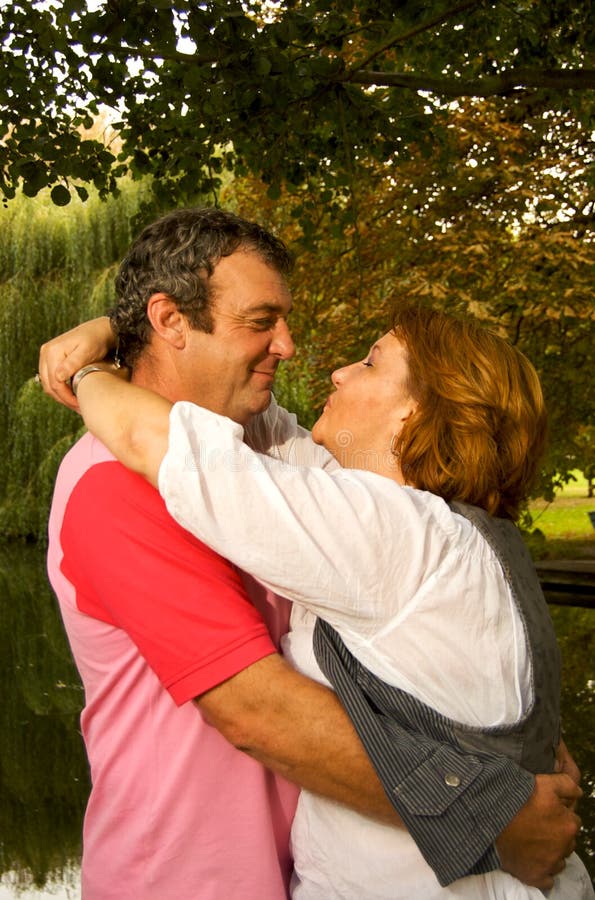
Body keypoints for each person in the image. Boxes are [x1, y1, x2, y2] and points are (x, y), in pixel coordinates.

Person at [40, 209, 582, 898]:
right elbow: (259, 714)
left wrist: (94, 357)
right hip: (190, 881)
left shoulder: (276, 464)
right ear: (172, 321)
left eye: (366, 361)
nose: (294, 349)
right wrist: (492, 813)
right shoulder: (117, 488)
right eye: (261, 320)